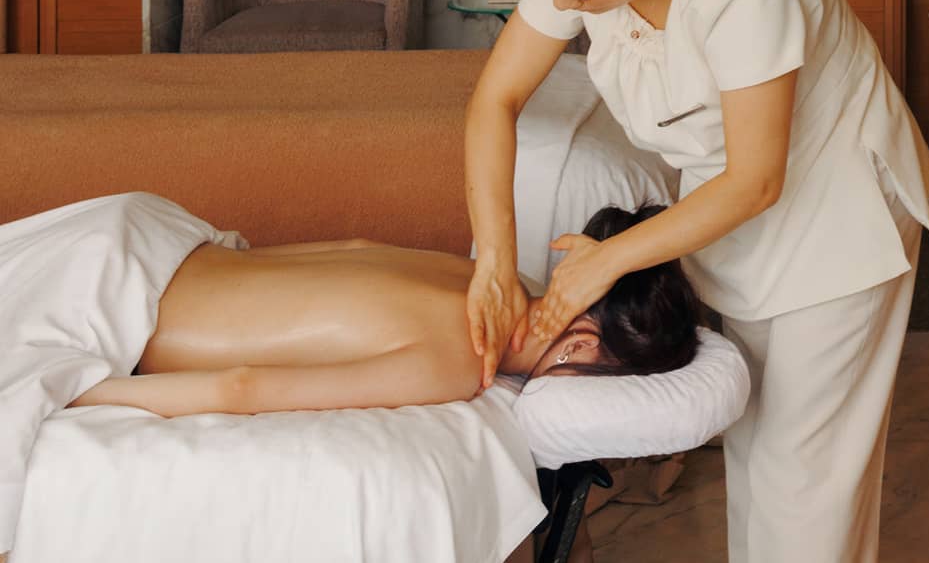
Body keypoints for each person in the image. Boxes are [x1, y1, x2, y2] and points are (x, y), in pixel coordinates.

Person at [463, 0, 929, 562]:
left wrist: (608, 259)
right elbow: (495, 100)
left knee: (805, 488)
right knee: (758, 459)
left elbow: (757, 178)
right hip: (736, 213)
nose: (562, 6)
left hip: (837, 212)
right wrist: (493, 256)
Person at [71, 205, 700, 418]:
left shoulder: (489, 276)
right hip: (110, 307)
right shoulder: (460, 360)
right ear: (582, 347)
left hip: (145, 235)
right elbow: (243, 387)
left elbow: (353, 248)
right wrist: (78, 396)